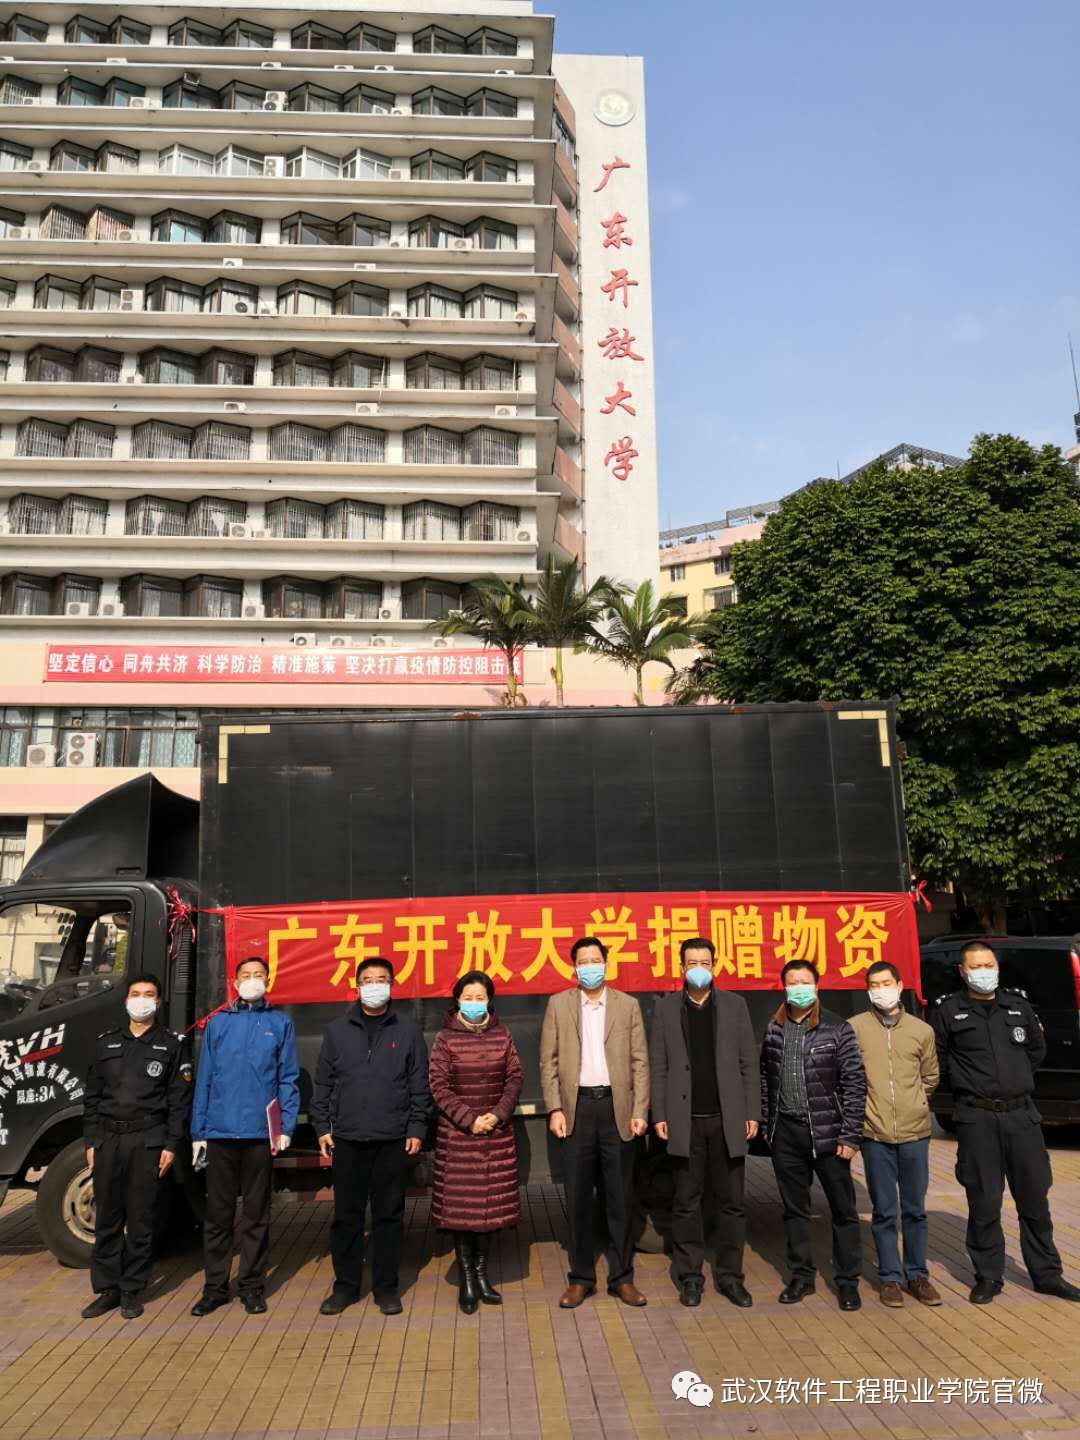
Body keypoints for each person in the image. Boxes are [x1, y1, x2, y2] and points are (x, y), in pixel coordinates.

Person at [931, 940, 1080, 1305]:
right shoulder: (949, 1012)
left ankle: (1047, 1275)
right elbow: (940, 1060)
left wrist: (1012, 1081)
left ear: (997, 968)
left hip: (1021, 1116)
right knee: (984, 1202)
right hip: (977, 1118)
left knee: (1034, 1200)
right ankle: (988, 1276)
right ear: (963, 971)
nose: (984, 972)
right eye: (976, 966)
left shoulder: (1018, 1007)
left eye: (989, 965)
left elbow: (1036, 1051)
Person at [312, 956, 432, 1317]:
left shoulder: (407, 1030)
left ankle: (386, 1288)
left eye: (382, 979)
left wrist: (417, 1127)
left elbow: (419, 1083)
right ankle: (345, 1287)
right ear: (357, 985)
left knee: (388, 1216)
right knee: (346, 1217)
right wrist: (322, 1127)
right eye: (368, 980)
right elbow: (323, 1083)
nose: (375, 985)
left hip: (392, 1137)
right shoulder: (337, 1030)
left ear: (392, 985)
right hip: (347, 1138)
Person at [539, 936, 649, 1309]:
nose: (589, 966)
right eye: (583, 961)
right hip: (577, 1110)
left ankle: (622, 1278)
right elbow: (548, 1061)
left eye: (595, 960)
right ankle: (581, 1278)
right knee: (578, 1198)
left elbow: (640, 1062)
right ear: (574, 967)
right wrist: (555, 1108)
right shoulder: (558, 1005)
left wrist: (640, 1110)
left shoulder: (627, 1005)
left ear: (606, 963)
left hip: (617, 1110)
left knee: (620, 1198)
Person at [650, 937, 760, 1308]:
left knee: (731, 1203)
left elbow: (748, 1062)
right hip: (685, 1122)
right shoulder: (666, 1008)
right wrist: (660, 1114)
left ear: (715, 965)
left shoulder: (734, 1005)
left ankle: (730, 1277)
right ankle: (690, 1277)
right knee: (686, 1202)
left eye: (705, 962)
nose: (699, 968)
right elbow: (659, 1065)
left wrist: (751, 1112)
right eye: (692, 962)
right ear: (681, 967)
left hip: (727, 1120)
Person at [190, 954, 298, 1317]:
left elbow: (287, 1078)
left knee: (256, 1216)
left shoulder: (279, 1023)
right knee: (218, 1216)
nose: (253, 979)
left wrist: (285, 1126)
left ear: (268, 980)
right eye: (246, 974)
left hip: (259, 1134)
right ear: (235, 983)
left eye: (259, 974)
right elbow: (205, 1079)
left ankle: (252, 1286)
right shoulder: (219, 1023)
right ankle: (215, 1288)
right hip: (220, 1132)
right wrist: (199, 1131)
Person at [81, 973, 190, 1320]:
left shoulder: (171, 1045)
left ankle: (131, 1289)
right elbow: (92, 1097)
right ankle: (107, 1289)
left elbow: (178, 1101)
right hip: (108, 1139)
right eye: (136, 993)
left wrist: (170, 1145)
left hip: (147, 1140)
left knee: (141, 1219)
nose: (141, 1000)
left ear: (158, 1002)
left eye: (149, 994)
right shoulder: (106, 1043)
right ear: (126, 1000)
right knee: (107, 1218)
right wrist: (91, 1140)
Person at [760, 960, 867, 1310]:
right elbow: (765, 1081)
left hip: (828, 1134)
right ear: (783, 987)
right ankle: (801, 1276)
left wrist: (850, 1136)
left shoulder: (837, 1028)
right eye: (792, 982)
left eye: (805, 981)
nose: (799, 988)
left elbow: (854, 1084)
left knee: (843, 1210)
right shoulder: (774, 1028)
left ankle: (847, 1281)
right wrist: (768, 1126)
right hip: (786, 1134)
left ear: (817, 986)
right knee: (795, 1210)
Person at [428, 970, 524, 1313]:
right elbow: (438, 1085)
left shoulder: (503, 1034)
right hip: (459, 1137)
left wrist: (497, 1115)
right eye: (467, 998)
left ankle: (482, 1275)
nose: (473, 1003)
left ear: (489, 1000)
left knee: (490, 1211)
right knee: (462, 1212)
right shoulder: (445, 1039)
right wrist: (470, 1120)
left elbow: (515, 1077)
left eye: (479, 998)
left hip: (496, 1134)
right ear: (457, 1001)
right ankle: (467, 1279)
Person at [848, 961, 941, 1307]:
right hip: (874, 1135)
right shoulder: (854, 1028)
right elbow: (849, 1078)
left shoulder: (921, 1030)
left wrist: (914, 1104)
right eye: (874, 985)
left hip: (915, 1134)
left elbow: (930, 1076)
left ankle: (917, 1274)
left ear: (900, 986)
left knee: (915, 1209)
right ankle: (890, 1277)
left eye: (886, 983)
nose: (880, 990)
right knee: (884, 1210)